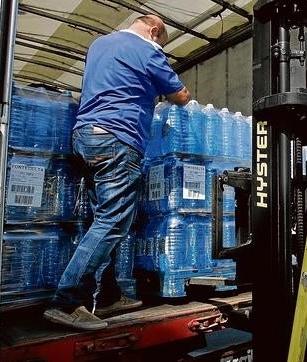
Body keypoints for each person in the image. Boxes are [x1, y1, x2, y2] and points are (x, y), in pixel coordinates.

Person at [43, 15, 191, 330]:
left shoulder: (99, 45)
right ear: (154, 31)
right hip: (117, 139)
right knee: (112, 222)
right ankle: (67, 302)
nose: (160, 46)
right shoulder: (149, 51)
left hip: (85, 137)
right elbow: (181, 96)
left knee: (102, 221)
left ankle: (108, 295)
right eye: (161, 40)